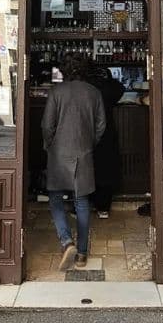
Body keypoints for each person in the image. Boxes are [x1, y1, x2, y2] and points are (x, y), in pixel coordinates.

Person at [41, 53, 106, 270]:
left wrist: (50, 145)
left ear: (64, 70)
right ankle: (82, 254)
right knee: (82, 202)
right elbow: (100, 126)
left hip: (59, 152)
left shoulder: (56, 92)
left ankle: (66, 241)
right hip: (84, 152)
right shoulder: (93, 92)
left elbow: (47, 125)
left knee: (55, 198)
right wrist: (89, 144)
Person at [89, 67, 125, 219]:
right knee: (107, 169)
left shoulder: (88, 88)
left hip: (89, 131)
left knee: (90, 168)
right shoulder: (111, 88)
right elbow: (120, 88)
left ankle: (88, 204)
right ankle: (104, 208)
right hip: (108, 132)